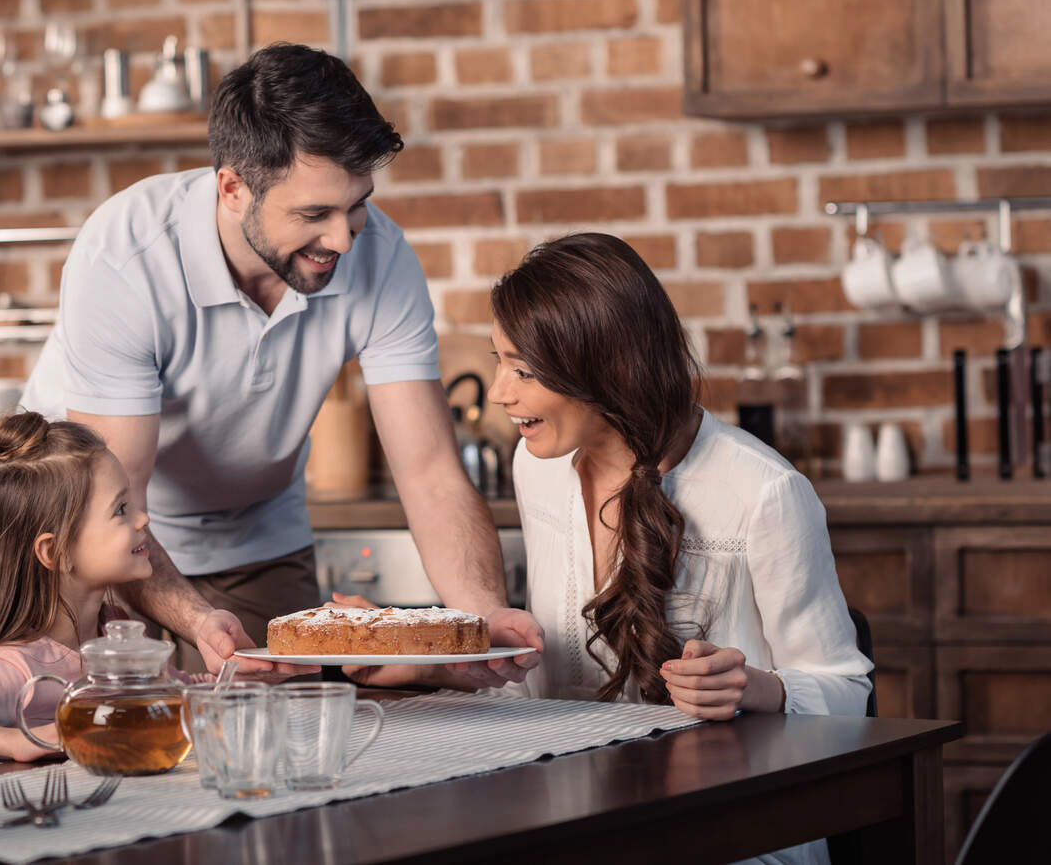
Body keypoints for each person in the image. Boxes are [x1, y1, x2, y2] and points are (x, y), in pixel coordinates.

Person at [21, 42, 541, 682]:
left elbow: (431, 472)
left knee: (286, 736)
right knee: (86, 736)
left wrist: (477, 621)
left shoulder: (380, 254)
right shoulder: (126, 256)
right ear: (233, 188)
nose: (343, 240)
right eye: (313, 214)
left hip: (254, 535)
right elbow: (116, 498)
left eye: (356, 205)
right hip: (83, 536)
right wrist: (194, 618)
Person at [347, 235, 870, 718]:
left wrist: (756, 688)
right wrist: (421, 658)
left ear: (604, 369)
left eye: (523, 371)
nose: (498, 393)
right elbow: (541, 689)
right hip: (575, 788)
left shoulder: (764, 492)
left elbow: (848, 689)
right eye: (499, 363)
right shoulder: (536, 466)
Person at [0, 413, 208, 761]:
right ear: (55, 551)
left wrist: (244, 675)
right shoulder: (19, 670)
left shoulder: (115, 637)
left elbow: (182, 690)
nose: (143, 519)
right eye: (121, 509)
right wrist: (17, 742)